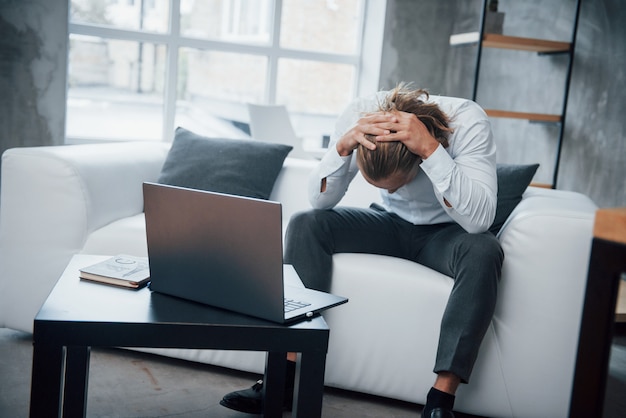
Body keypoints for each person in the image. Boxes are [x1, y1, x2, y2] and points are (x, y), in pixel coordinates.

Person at [220, 83, 504, 417]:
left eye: (397, 185)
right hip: (389, 223)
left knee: (485, 250)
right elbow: (320, 201)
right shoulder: (360, 113)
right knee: (306, 223)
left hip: (447, 233)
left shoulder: (468, 121)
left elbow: (479, 220)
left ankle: (440, 402)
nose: (394, 190)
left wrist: (430, 150)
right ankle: (283, 379)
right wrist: (341, 148)